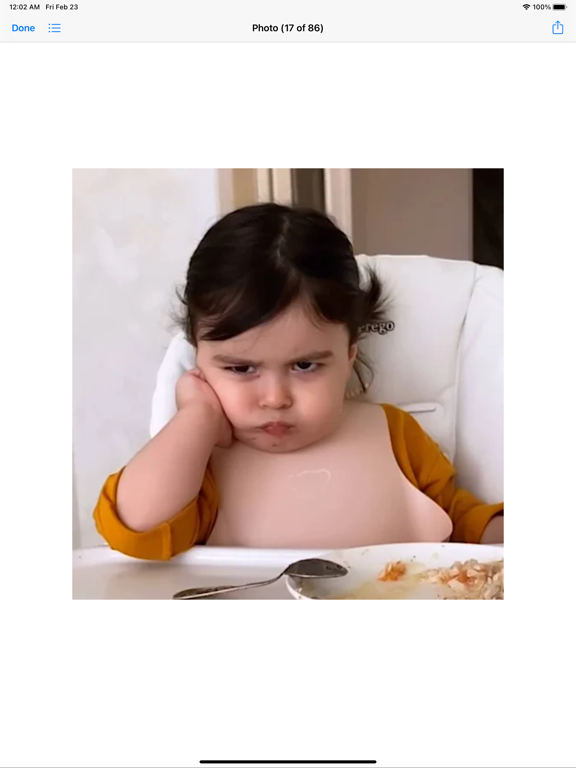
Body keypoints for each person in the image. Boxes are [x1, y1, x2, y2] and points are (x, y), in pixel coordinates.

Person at [93, 203, 503, 560]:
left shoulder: (396, 435)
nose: (274, 398)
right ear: (199, 360)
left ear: (349, 356)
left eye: (305, 365)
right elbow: (135, 530)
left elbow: (459, 524)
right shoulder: (198, 464)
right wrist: (196, 417)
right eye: (241, 369)